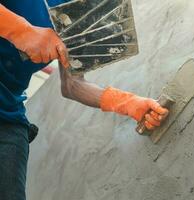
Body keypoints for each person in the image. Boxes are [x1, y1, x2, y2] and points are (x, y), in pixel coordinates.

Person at [0, 1, 168, 199]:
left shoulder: (89, 8)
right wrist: (21, 31)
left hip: (9, 117)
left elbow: (73, 85)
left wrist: (127, 102)